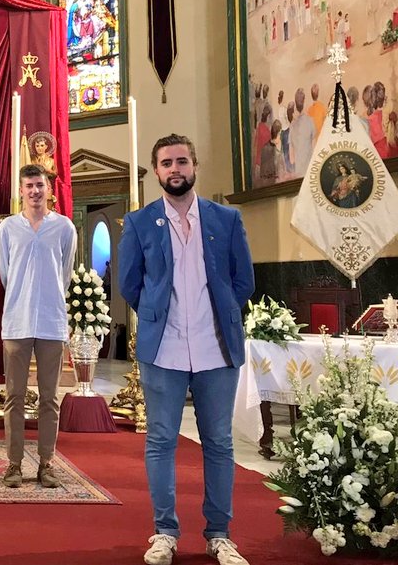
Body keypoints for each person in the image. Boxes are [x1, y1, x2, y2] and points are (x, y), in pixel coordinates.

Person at [118, 134, 255, 565]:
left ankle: (220, 535)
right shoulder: (140, 223)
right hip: (165, 348)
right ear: (157, 171)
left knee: (219, 442)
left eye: (181, 161)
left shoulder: (226, 219)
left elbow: (243, 280)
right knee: (160, 440)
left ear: (194, 165)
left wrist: (221, 312)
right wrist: (158, 313)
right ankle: (164, 532)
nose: (174, 169)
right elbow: (130, 284)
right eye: (166, 163)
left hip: (217, 347)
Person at [0, 164, 76, 489]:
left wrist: (48, 294)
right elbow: (6, 273)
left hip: (51, 321)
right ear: (21, 190)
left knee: (49, 398)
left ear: (48, 189)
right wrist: (23, 294)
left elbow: (65, 272)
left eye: (39, 185)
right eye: (29, 186)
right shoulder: (8, 228)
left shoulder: (64, 227)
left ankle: (46, 463)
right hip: (17, 320)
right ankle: (14, 464)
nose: (34, 191)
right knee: (14, 396)